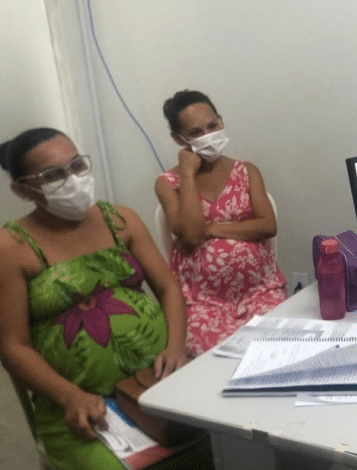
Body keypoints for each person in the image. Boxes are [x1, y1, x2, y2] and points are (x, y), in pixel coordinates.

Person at [0, 128, 190, 469]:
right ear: (22, 190)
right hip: (80, 403)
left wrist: (176, 347)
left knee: (227, 446)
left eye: (77, 165)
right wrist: (69, 396)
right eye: (53, 175)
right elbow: (13, 346)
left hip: (154, 383)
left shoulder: (121, 220)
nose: (72, 180)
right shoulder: (12, 248)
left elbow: (167, 287)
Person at [156, 90, 287, 356]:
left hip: (260, 292)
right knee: (215, 362)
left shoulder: (246, 171)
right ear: (178, 139)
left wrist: (212, 229)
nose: (208, 135)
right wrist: (188, 175)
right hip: (201, 303)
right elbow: (191, 236)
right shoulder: (168, 184)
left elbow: (267, 225)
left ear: (221, 121)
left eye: (212, 126)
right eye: (195, 132)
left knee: (273, 351)